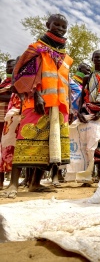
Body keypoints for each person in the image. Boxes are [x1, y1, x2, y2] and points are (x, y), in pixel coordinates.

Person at [1, 13, 73, 198]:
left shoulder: (66, 57)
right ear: (48, 24)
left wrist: (69, 106)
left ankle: (35, 183)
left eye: (63, 26)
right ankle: (14, 184)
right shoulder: (36, 49)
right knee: (26, 140)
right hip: (37, 103)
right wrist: (36, 95)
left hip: (60, 106)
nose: (60, 28)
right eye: (56, 24)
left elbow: (66, 83)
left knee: (50, 146)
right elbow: (23, 74)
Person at [77, 50, 100, 182]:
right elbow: (82, 96)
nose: (98, 59)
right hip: (88, 111)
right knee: (88, 143)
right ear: (92, 59)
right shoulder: (87, 78)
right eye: (96, 57)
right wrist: (80, 112)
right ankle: (87, 175)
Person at [0, 58, 17, 188]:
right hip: (1, 119)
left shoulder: (16, 82)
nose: (8, 68)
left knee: (10, 148)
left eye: (11, 66)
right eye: (7, 66)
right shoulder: (3, 83)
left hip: (10, 120)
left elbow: (13, 96)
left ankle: (13, 181)